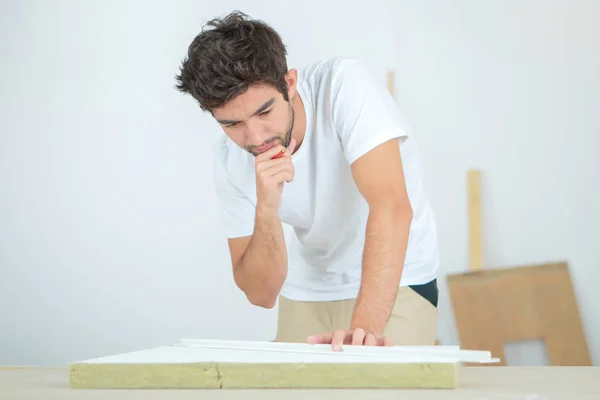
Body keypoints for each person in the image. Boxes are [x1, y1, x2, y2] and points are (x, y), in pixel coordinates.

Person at [175, 11, 440, 350]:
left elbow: (391, 207)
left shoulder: (344, 86)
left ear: (289, 83)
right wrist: (267, 210)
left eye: (264, 112)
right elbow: (261, 294)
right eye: (231, 124)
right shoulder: (228, 159)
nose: (255, 138)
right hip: (311, 285)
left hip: (400, 276)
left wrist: (364, 328)